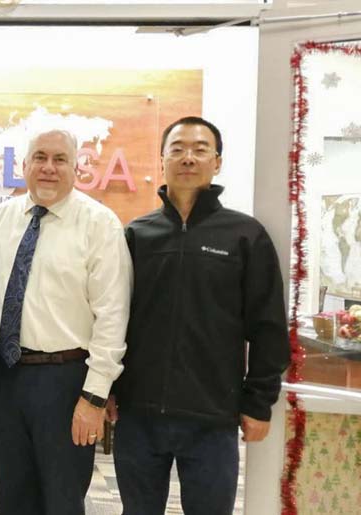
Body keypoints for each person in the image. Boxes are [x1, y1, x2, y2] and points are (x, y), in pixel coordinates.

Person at [109, 116, 291, 515]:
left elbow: (268, 327)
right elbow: (113, 318)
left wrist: (259, 402)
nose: (188, 158)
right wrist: (109, 386)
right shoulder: (137, 234)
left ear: (217, 162)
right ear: (162, 160)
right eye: (177, 149)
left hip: (213, 418)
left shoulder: (245, 236)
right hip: (139, 415)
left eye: (200, 149)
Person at [0, 129, 132, 515]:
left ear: (76, 167)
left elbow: (113, 316)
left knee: (62, 501)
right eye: (40, 157)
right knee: (13, 498)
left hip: (66, 382)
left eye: (60, 159)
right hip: (7, 375)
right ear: (24, 165)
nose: (49, 167)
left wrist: (94, 396)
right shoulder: (0, 220)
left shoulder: (99, 224)